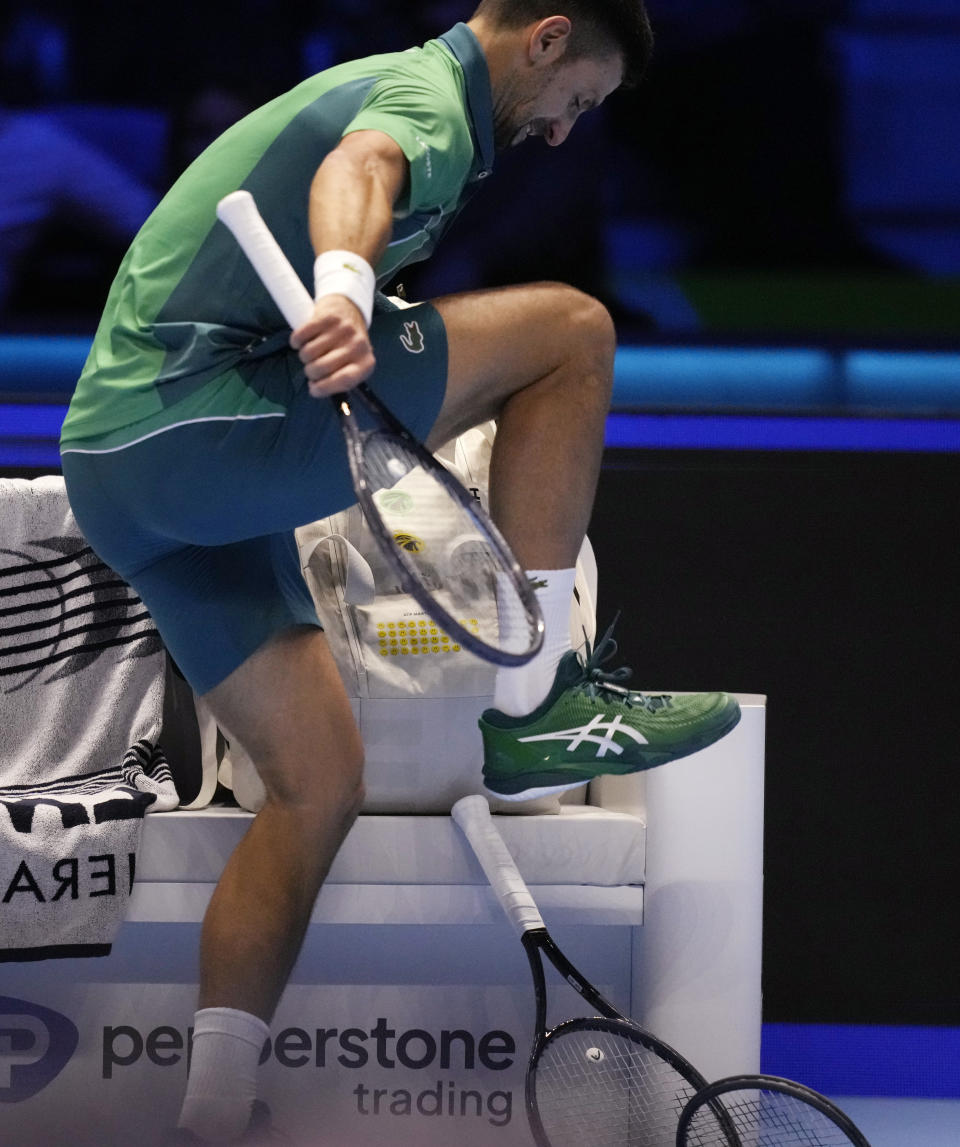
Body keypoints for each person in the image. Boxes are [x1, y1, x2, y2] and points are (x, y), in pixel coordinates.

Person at [59, 2, 739, 1141]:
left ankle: (212, 1111)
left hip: (125, 477)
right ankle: (539, 702)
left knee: (320, 781)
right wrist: (340, 288)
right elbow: (360, 166)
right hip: (196, 424)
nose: (567, 131)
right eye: (579, 100)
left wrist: (344, 298)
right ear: (548, 38)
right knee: (573, 333)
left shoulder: (419, 88)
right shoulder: (430, 101)